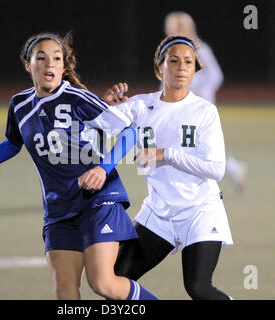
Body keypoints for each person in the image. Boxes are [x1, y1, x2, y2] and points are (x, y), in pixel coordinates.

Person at [0, 32, 159, 300]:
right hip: (59, 209)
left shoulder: (78, 99)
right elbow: (11, 144)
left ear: (64, 66)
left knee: (103, 283)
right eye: (41, 58)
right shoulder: (19, 104)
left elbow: (129, 132)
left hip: (98, 200)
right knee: (65, 296)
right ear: (28, 65)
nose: (49, 64)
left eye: (56, 58)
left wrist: (103, 169)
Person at [103, 35, 234, 300]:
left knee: (199, 288)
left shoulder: (204, 111)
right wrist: (105, 105)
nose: (182, 67)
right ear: (159, 67)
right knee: (113, 280)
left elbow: (216, 170)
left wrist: (168, 154)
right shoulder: (140, 105)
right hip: (159, 213)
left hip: (199, 211)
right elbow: (97, 127)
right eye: (173, 60)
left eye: (188, 62)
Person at [164, 11, 247, 192]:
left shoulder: (201, 49)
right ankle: (232, 169)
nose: (175, 31)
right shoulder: (170, 50)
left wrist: (203, 91)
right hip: (180, 106)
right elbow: (165, 80)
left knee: (201, 146)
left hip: (200, 106)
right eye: (172, 27)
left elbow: (217, 75)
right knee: (188, 145)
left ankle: (226, 172)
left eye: (179, 27)